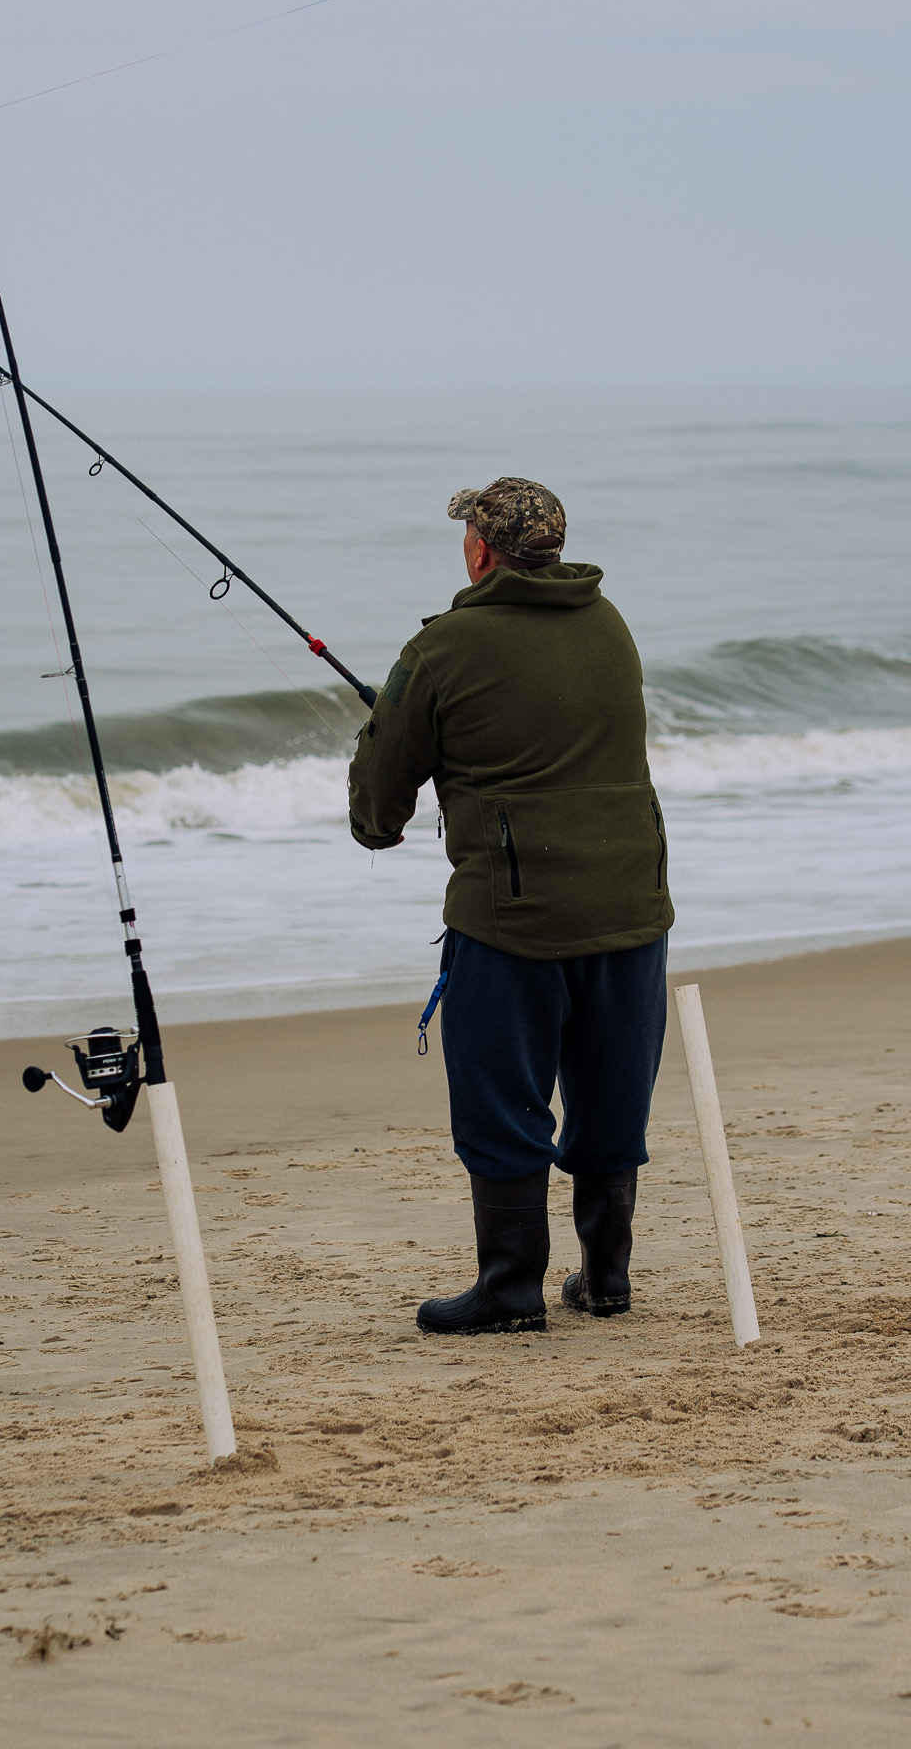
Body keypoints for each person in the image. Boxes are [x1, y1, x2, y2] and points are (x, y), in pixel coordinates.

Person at [347, 476, 673, 1334]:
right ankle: (606, 1277)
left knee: (501, 1104)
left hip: (511, 917)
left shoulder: (444, 648)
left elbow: (378, 805)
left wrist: (379, 792)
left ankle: (510, 1290)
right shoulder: (610, 624)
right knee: (610, 1096)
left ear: (480, 550)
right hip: (630, 904)